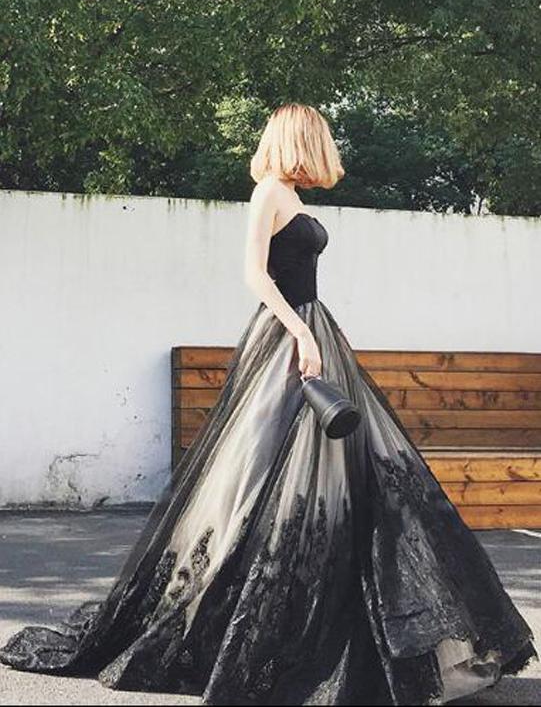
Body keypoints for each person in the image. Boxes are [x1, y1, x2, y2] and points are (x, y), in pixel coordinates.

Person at [0, 103, 537, 705]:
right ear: (299, 139)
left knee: (351, 480)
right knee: (260, 477)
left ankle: (357, 628)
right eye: (320, 137)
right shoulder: (269, 193)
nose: (328, 148)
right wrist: (301, 333)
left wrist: (316, 332)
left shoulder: (291, 196)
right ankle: (233, 615)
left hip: (312, 332)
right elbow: (255, 275)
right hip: (287, 338)